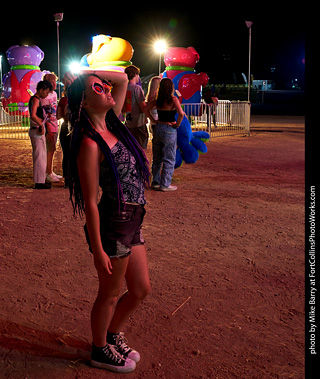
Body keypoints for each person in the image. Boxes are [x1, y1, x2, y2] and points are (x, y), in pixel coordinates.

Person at [67, 72, 151, 374]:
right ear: (84, 102)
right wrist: (99, 249)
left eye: (104, 87)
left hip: (133, 219)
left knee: (140, 289)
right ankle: (99, 349)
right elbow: (90, 202)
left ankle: (113, 334)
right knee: (110, 293)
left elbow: (122, 79)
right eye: (97, 89)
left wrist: (89, 74)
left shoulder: (113, 121)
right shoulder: (90, 144)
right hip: (114, 221)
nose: (106, 89)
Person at [144, 78, 184, 191]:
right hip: (169, 129)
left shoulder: (158, 100)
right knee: (169, 158)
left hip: (158, 128)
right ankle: (165, 184)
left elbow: (146, 109)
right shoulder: (173, 99)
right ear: (171, 87)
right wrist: (177, 124)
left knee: (157, 157)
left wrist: (153, 119)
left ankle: (155, 182)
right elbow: (181, 113)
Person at [28, 80, 52, 189]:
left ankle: (41, 180)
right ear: (41, 90)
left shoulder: (36, 99)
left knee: (41, 156)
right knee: (39, 157)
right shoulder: (36, 99)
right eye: (46, 92)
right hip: (37, 130)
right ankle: (39, 182)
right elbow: (33, 115)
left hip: (36, 130)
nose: (46, 94)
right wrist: (41, 125)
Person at [57, 72, 78, 187]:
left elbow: (58, 116)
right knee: (76, 154)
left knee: (66, 154)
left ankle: (68, 179)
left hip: (65, 126)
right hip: (76, 126)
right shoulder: (79, 98)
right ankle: (77, 178)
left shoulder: (63, 100)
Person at [41, 72, 62, 183]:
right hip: (49, 127)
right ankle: (48, 173)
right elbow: (45, 115)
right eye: (52, 82)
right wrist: (48, 130)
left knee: (52, 149)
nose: (54, 84)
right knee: (49, 150)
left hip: (54, 124)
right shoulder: (44, 96)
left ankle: (50, 171)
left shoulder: (54, 94)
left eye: (55, 81)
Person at [123, 65, 149, 149]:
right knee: (141, 147)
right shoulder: (137, 88)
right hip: (139, 123)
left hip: (128, 122)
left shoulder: (124, 88)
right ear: (135, 74)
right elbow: (143, 107)